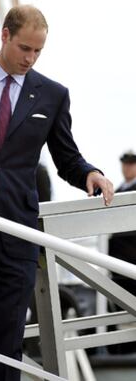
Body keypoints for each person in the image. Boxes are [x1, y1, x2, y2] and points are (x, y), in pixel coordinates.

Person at [0, 5, 114, 381]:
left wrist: (90, 174)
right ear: (4, 35)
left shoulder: (52, 94)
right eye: (24, 48)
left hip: (17, 228)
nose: (30, 59)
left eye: (38, 51)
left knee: (8, 330)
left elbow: (66, 156)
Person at [108, 150, 136, 354]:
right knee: (121, 305)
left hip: (132, 260)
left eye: (131, 163)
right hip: (118, 262)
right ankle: (122, 350)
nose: (127, 167)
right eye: (125, 163)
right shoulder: (118, 190)